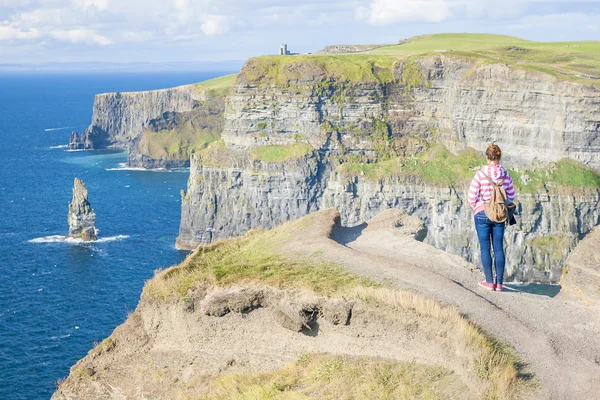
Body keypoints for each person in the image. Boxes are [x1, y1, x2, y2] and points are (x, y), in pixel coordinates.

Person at [468, 144, 516, 292]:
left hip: (482, 213)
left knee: (485, 248)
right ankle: (499, 284)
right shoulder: (505, 175)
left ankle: (489, 282)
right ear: (499, 157)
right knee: (498, 248)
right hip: (499, 214)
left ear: (487, 157)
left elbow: (471, 197)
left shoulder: (480, 174)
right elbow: (512, 196)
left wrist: (479, 207)